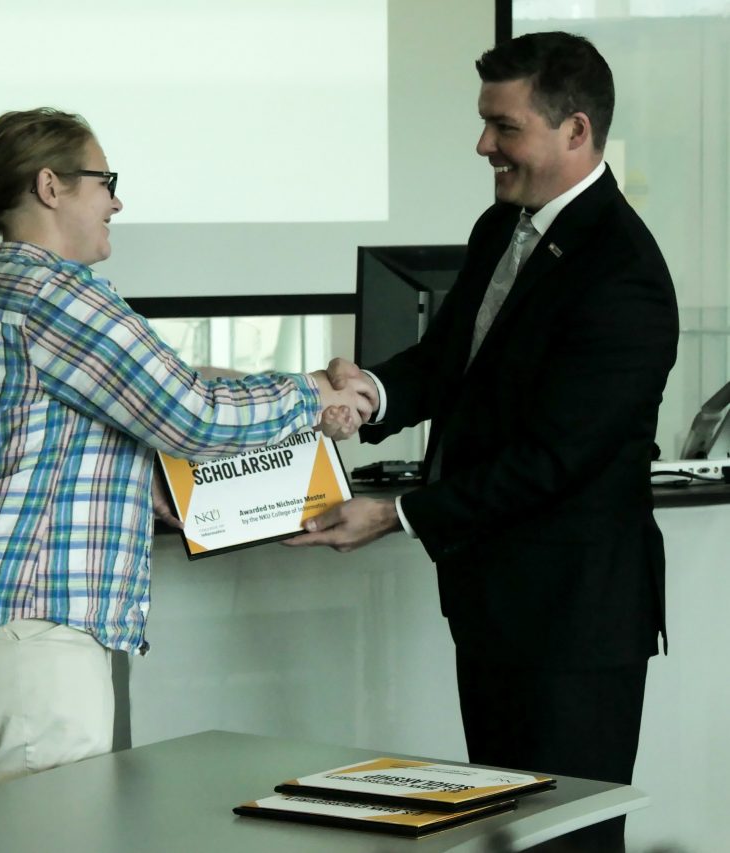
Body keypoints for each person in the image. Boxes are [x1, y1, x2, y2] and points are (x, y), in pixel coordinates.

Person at [0, 107, 371, 798]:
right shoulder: (51, 294)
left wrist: (141, 492)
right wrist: (316, 394)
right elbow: (192, 412)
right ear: (51, 186)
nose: (116, 200)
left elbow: (16, 459)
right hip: (19, 638)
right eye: (103, 181)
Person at [290, 32, 679, 852]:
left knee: (564, 841)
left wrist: (395, 512)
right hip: (497, 605)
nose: (483, 146)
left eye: (504, 127)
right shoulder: (505, 224)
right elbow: (451, 357)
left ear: (575, 131)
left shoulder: (625, 274)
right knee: (504, 834)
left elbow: (554, 461)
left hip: (575, 621)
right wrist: (371, 393)